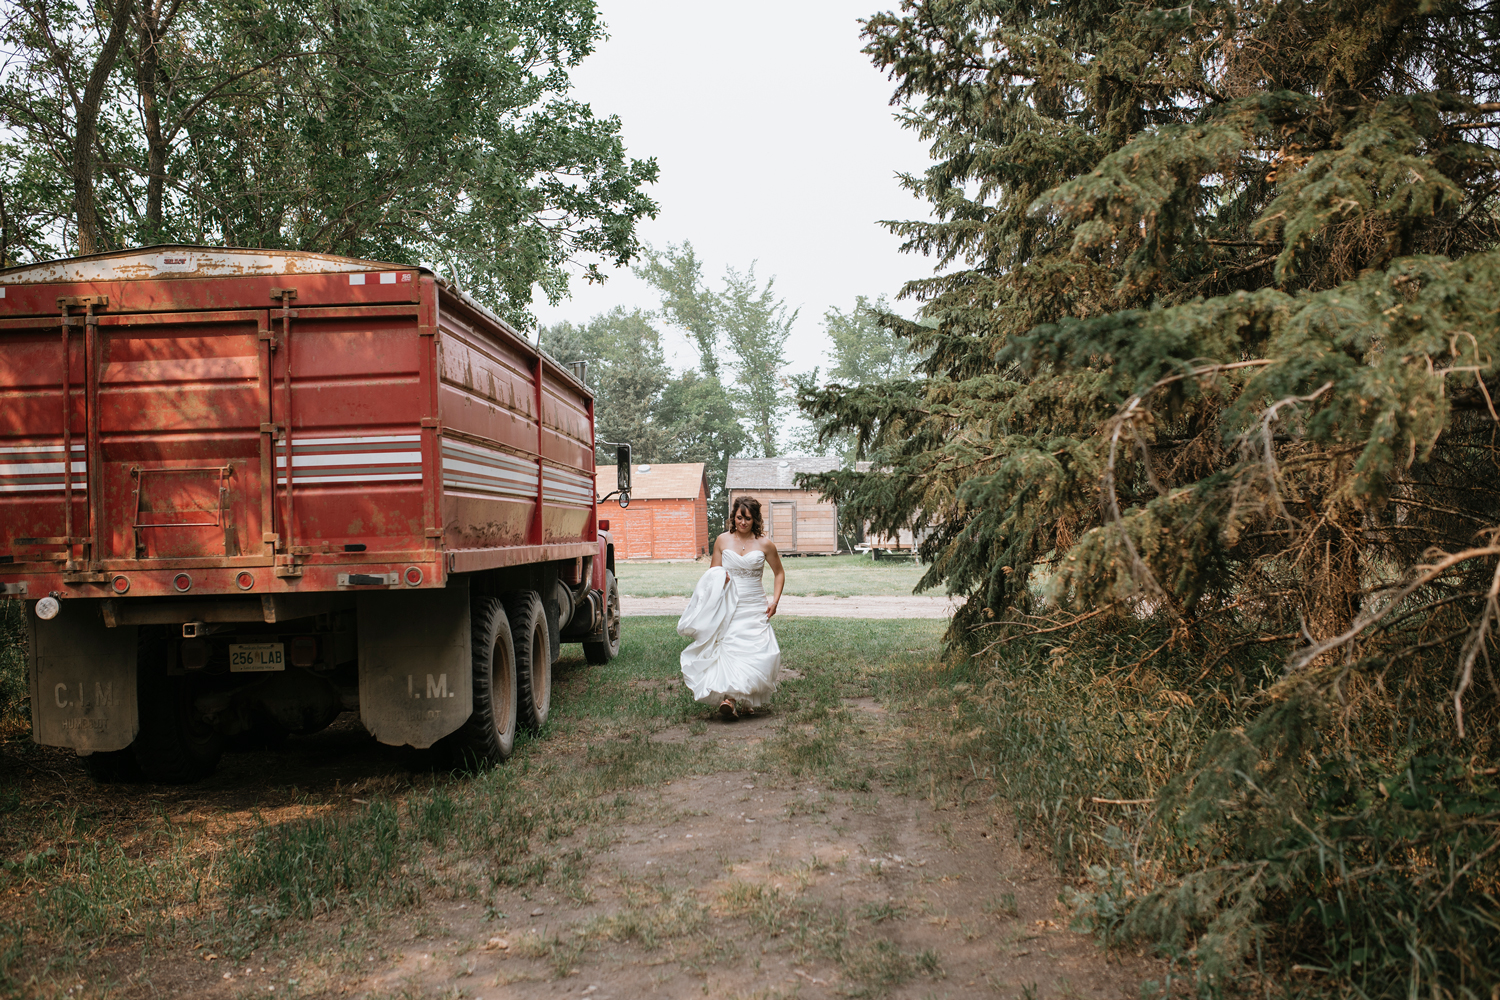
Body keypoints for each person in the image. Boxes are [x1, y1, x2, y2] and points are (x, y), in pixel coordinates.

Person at [676, 496, 785, 719]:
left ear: (755, 519)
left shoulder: (765, 544)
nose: (742, 523)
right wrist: (720, 583)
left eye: (747, 518)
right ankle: (731, 699)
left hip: (755, 604)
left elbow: (779, 573)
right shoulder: (722, 541)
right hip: (729, 603)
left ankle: (745, 697)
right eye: (738, 517)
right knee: (731, 647)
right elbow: (712, 574)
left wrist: (775, 601)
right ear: (733, 517)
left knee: (756, 650)